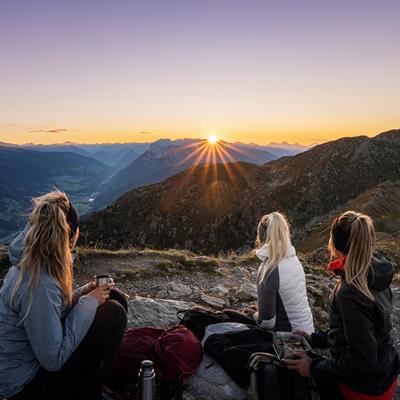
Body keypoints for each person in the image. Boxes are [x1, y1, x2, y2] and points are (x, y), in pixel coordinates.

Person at [0, 191, 127, 400]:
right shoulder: (38, 281)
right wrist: (89, 301)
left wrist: (81, 294)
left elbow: (51, 314)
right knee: (114, 312)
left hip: (30, 368)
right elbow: (53, 358)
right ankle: (88, 393)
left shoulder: (36, 264)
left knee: (115, 297)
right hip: (25, 387)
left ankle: (92, 383)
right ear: (69, 236)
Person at [284, 211, 399, 400]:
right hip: (385, 376)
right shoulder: (375, 272)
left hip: (364, 389)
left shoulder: (350, 292)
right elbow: (363, 331)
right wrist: (316, 339)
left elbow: (361, 361)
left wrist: (313, 368)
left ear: (336, 245)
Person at [253, 212, 314, 334]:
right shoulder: (294, 259)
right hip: (308, 332)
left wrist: (255, 314)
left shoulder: (269, 269)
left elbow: (267, 323)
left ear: (261, 237)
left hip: (289, 338)